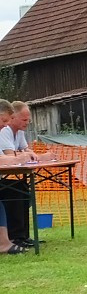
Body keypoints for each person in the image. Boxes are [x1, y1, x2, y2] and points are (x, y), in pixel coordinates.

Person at [0, 100, 33, 246]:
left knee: (21, 187)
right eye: (4, 120)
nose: (6, 124)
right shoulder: (5, 132)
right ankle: (11, 239)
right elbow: (7, 156)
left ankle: (20, 236)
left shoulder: (18, 132)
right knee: (14, 190)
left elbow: (5, 157)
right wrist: (19, 156)